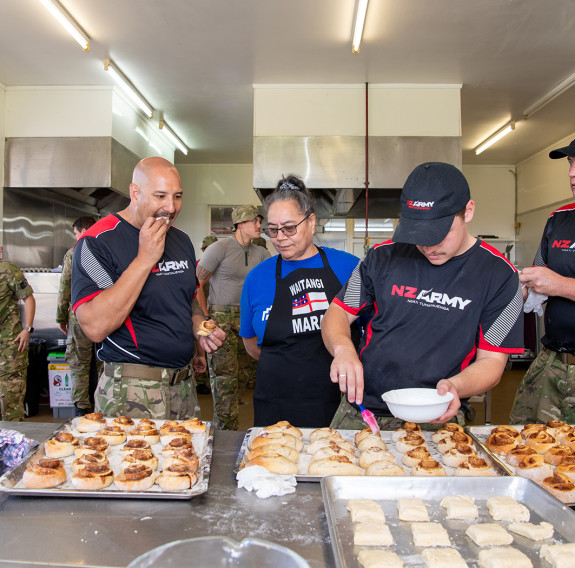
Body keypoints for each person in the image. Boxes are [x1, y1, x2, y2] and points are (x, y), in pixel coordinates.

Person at [321, 162, 524, 429]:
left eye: (440, 234)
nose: (429, 246)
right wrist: (343, 349)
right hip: (362, 409)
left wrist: (456, 386)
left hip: (438, 414)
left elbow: (492, 362)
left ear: (469, 211)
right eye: (419, 235)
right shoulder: (383, 256)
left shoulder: (500, 275)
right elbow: (337, 313)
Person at [71, 157, 225, 419]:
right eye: (160, 196)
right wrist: (145, 258)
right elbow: (96, 326)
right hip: (130, 390)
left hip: (183, 386)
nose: (171, 207)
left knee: (185, 460)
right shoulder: (96, 243)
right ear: (135, 192)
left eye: (177, 196)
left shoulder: (181, 239)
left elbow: (188, 302)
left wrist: (202, 334)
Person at [240, 175, 360, 427]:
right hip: (274, 400)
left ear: (311, 222)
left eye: (289, 227)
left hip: (336, 401)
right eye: (273, 229)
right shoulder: (257, 278)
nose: (280, 237)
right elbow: (250, 342)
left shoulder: (348, 267)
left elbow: (370, 330)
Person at [510, 138, 575, 424]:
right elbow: (540, 277)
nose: (572, 173)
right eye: (571, 164)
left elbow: (555, 283)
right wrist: (522, 287)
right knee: (526, 445)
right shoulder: (557, 219)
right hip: (552, 362)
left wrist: (560, 285)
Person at [196, 205, 270, 429]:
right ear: (240, 224)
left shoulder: (262, 253)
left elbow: (269, 287)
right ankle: (225, 433)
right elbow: (196, 283)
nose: (259, 225)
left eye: (259, 221)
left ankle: (230, 428)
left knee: (243, 378)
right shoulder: (220, 248)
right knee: (224, 380)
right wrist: (206, 317)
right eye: (254, 221)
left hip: (248, 321)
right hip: (221, 318)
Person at [56, 216, 99, 416]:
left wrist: (60, 317)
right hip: (104, 314)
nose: (76, 237)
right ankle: (102, 406)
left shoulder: (74, 252)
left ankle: (81, 409)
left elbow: (65, 285)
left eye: (75, 233)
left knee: (79, 361)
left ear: (82, 231)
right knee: (103, 361)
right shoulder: (107, 248)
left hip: (80, 314)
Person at [0, 262, 35, 421]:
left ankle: (14, 444)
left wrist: (27, 329)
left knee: (11, 405)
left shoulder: (8, 270)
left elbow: (28, 298)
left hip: (10, 348)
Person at [195, 235, 218, 395]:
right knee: (200, 347)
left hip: (213, 312)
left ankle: (209, 380)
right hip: (200, 312)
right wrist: (204, 315)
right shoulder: (198, 267)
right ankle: (201, 381)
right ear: (203, 250)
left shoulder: (220, 266)